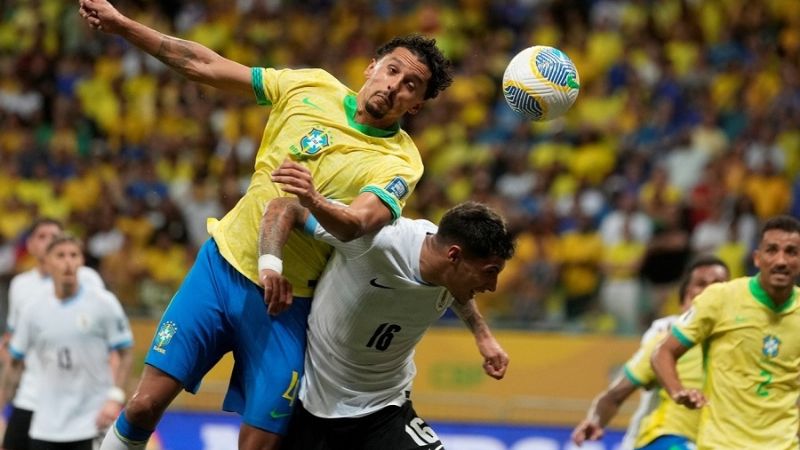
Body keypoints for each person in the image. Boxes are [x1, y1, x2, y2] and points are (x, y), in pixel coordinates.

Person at [77, 0, 454, 449]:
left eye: (411, 85)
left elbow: (360, 222)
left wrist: (312, 199)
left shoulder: (401, 160)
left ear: (416, 105)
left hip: (288, 302)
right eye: (392, 70)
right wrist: (123, 26)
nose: (395, 86)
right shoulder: (310, 87)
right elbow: (205, 64)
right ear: (372, 66)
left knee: (260, 444)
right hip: (221, 269)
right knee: (142, 406)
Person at [257, 198, 514, 449]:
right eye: (489, 272)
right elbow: (286, 207)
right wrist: (270, 268)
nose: (492, 287)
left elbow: (458, 289)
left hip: (385, 409)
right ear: (454, 256)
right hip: (315, 403)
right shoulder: (376, 240)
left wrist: (482, 335)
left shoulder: (450, 263)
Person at [652, 215, 800, 450]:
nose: (781, 260)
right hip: (722, 445)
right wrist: (677, 391)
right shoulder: (720, 298)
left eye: (791, 252)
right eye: (772, 250)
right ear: (757, 258)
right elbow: (663, 353)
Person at [571, 255, 730, 450]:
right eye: (700, 285)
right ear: (684, 301)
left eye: (718, 284)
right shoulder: (667, 339)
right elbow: (615, 395)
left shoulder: (741, 340)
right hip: (668, 439)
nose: (709, 292)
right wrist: (595, 421)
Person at [0, 234, 133, 450]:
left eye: (74, 255)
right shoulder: (33, 310)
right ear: (47, 261)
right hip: (46, 423)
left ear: (82, 261)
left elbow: (126, 353)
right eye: (60, 256)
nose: (68, 262)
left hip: (94, 419)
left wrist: (115, 397)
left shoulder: (103, 303)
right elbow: (15, 362)